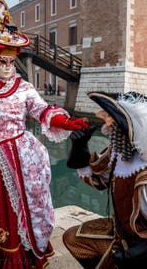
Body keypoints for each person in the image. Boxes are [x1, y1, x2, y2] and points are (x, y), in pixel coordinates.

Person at [0, 0, 89, 269]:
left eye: (13, 61)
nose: (9, 65)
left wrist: (65, 121)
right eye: (3, 59)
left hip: (14, 158)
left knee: (16, 210)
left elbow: (42, 110)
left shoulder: (23, 87)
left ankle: (16, 256)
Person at [63, 91, 147, 269]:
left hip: (141, 247)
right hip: (121, 234)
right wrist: (80, 146)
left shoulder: (144, 174)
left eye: (112, 120)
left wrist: (134, 255)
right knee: (73, 238)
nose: (108, 124)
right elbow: (97, 181)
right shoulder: (119, 153)